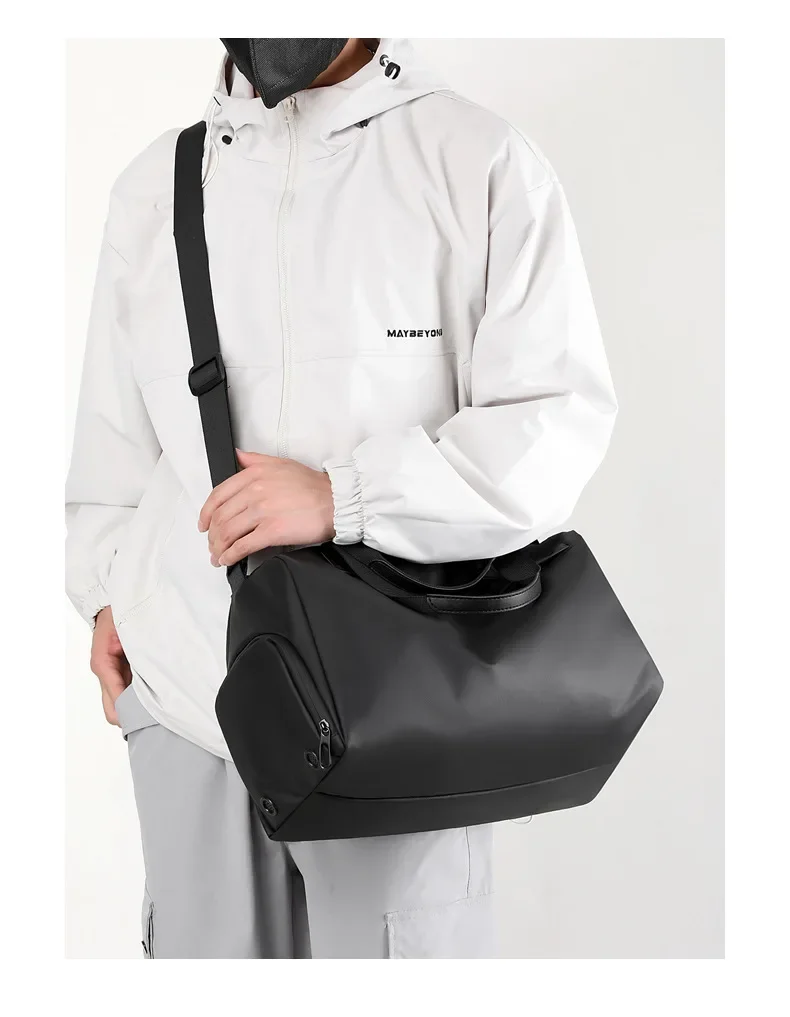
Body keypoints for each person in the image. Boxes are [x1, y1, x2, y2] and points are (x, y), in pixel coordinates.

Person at [66, 37, 617, 959]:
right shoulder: (156, 186)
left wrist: (344, 497)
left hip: (397, 704)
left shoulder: (475, 160)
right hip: (191, 697)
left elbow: (553, 420)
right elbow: (114, 440)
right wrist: (106, 594)